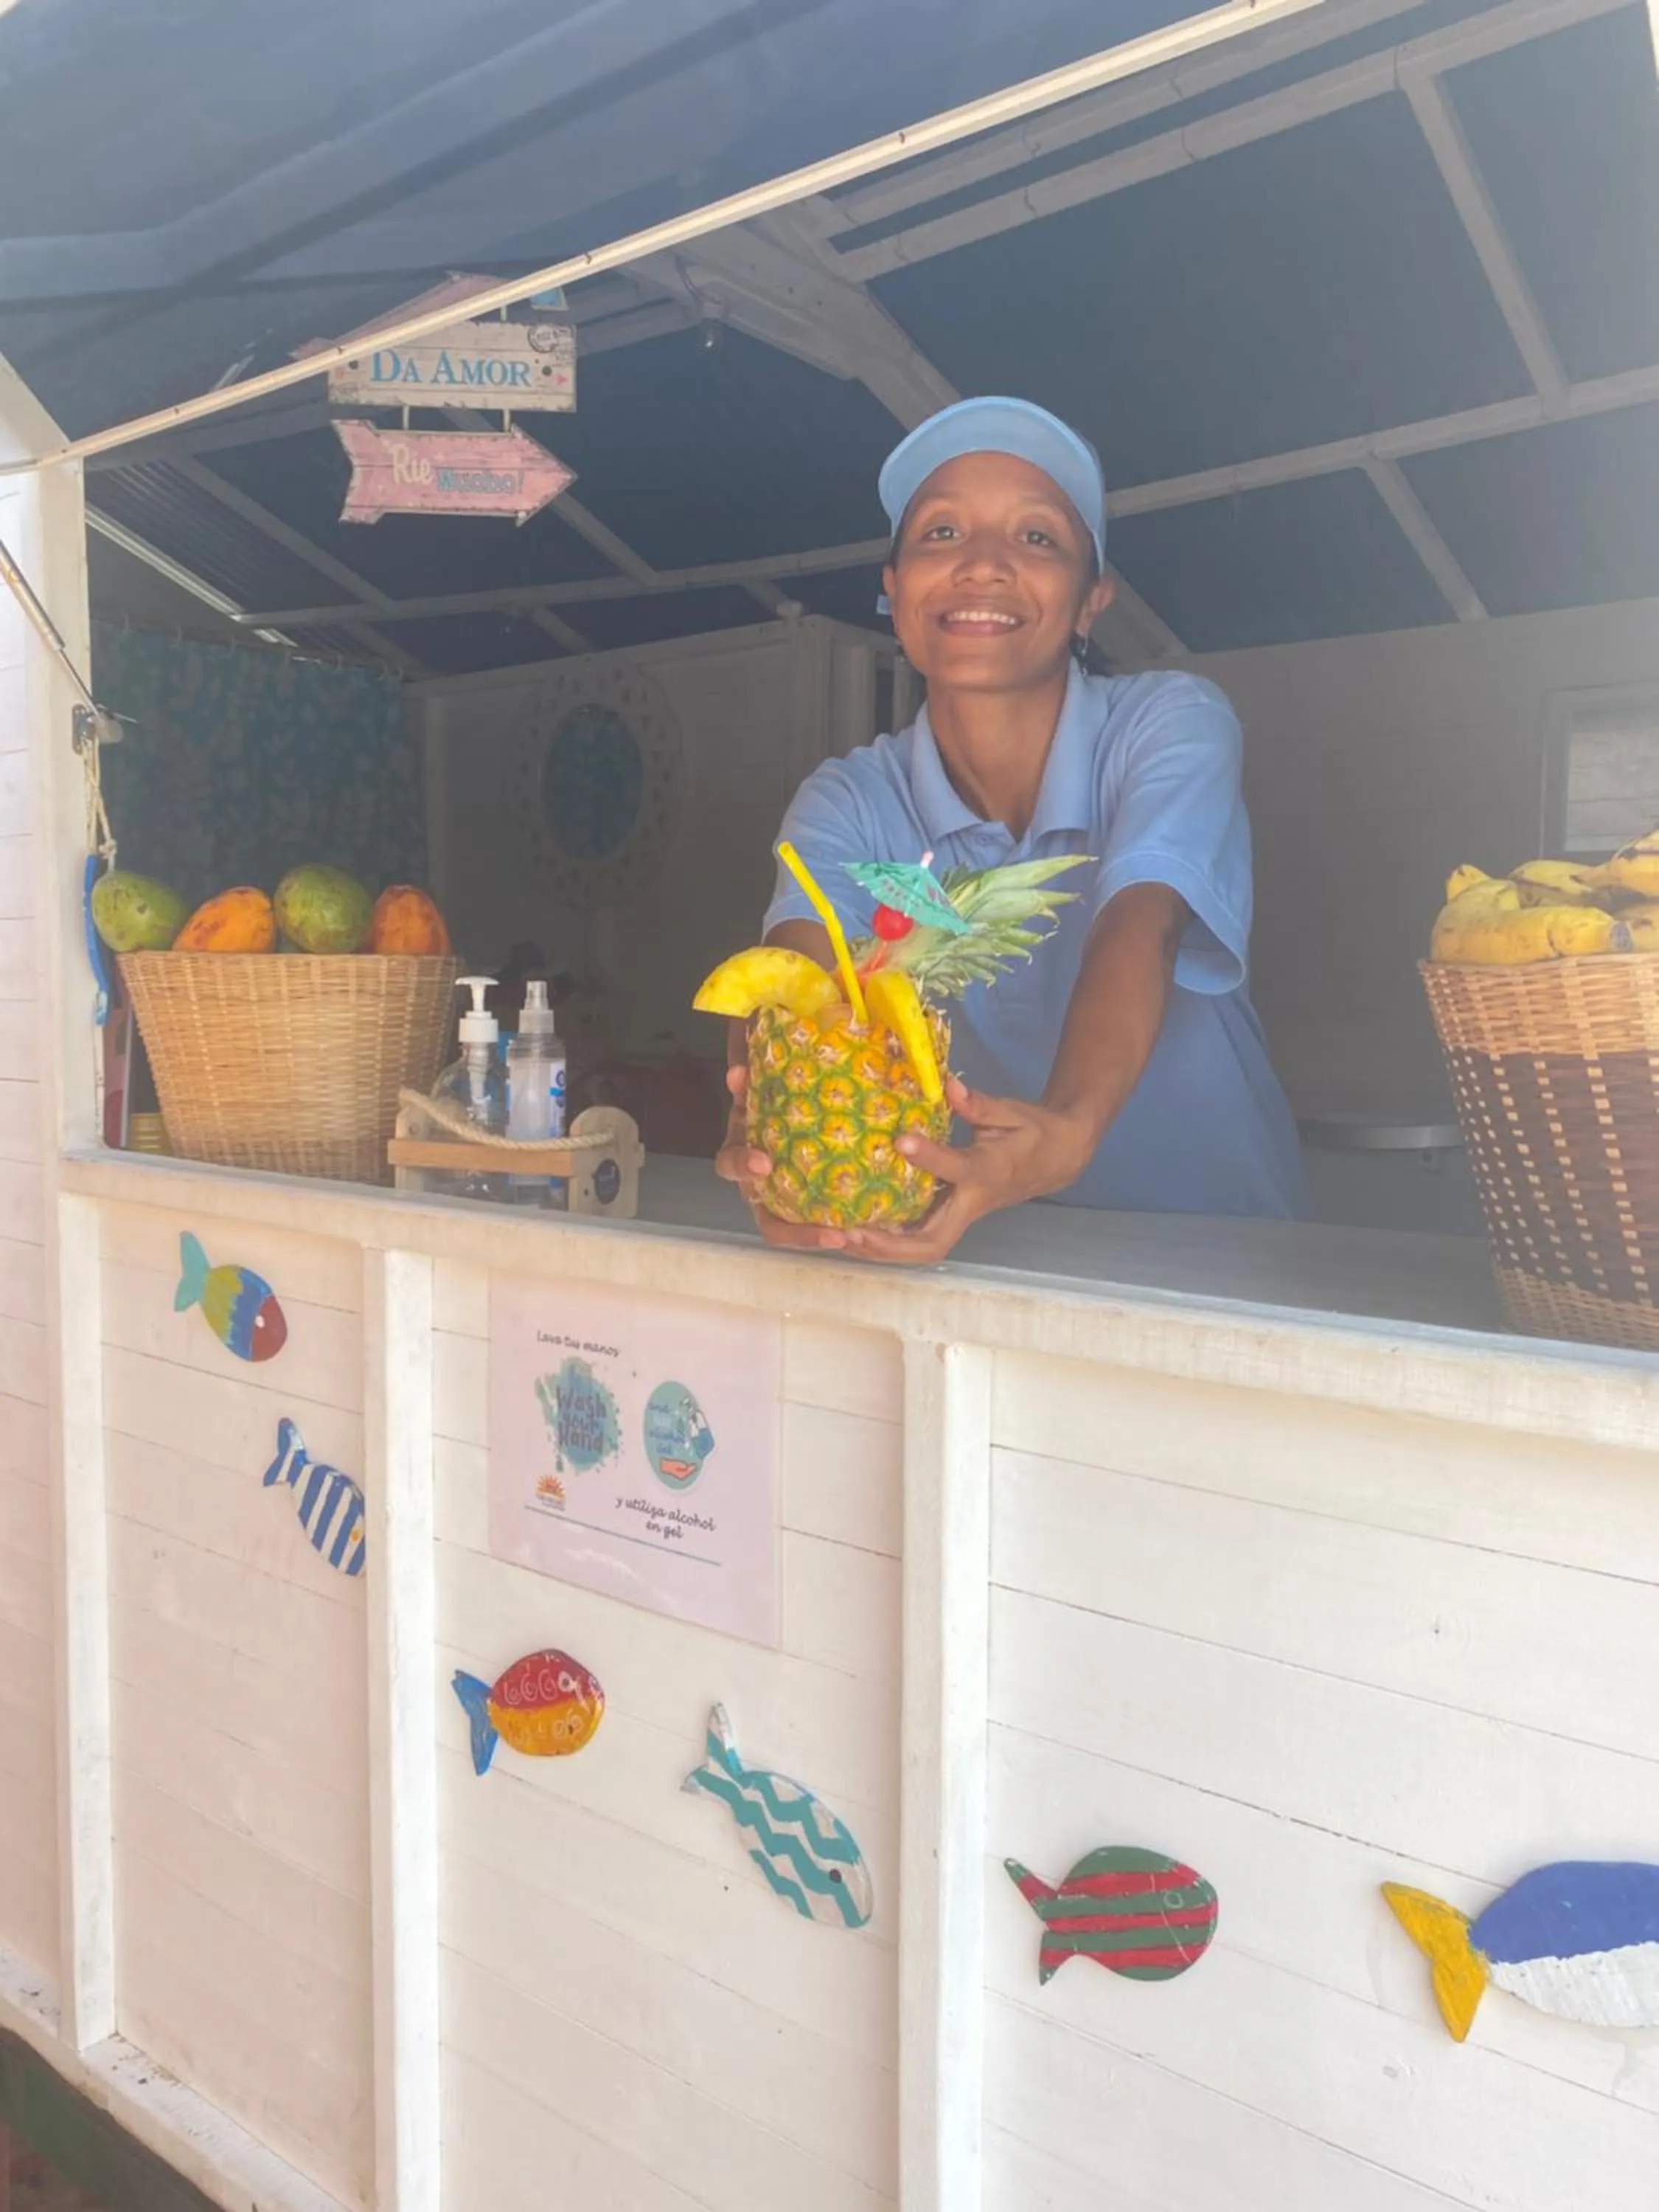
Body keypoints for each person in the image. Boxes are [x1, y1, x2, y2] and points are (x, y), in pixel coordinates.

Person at [717, 395, 1309, 1262]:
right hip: (993, 1256)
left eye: (1036, 538)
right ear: (894, 589)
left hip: (1221, 1251)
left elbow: (1140, 920)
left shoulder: (1168, 724)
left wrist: (1067, 1128)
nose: (982, 567)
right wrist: (767, 1126)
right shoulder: (848, 800)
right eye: (941, 535)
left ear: (1090, 600)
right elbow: (800, 985)